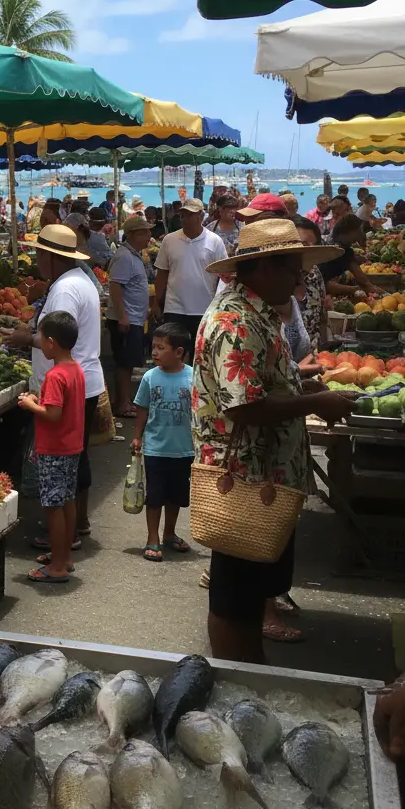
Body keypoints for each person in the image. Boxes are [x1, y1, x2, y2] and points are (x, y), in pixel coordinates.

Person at [193, 218, 354, 663]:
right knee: (234, 593)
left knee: (251, 588)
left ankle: (249, 665)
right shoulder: (235, 321)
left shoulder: (261, 314)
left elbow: (267, 388)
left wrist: (310, 392)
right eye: (294, 270)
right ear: (264, 269)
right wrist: (314, 404)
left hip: (266, 475)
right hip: (243, 477)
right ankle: (236, 672)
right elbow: (243, 406)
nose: (301, 280)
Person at [3, 224, 105, 545]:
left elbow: (57, 340)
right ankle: (79, 524)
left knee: (62, 465)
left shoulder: (64, 290)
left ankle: (65, 535)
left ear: (49, 256)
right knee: (76, 457)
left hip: (67, 388)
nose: (35, 259)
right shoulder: (78, 280)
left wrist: (26, 338)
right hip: (81, 382)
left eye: (38, 253)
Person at [18, 310, 85, 583]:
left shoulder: (56, 376)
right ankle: (64, 556)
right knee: (66, 501)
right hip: (71, 448)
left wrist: (31, 404)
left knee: (52, 507)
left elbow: (53, 414)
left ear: (51, 343)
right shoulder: (76, 369)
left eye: (41, 337)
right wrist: (40, 400)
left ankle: (57, 566)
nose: (40, 342)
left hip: (54, 450)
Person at [132, 322, 194, 563]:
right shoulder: (150, 377)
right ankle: (152, 538)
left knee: (176, 496)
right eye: (153, 347)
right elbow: (142, 409)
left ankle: (169, 533)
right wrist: (137, 436)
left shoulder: (194, 377)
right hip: (156, 448)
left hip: (184, 450)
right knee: (155, 495)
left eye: (160, 347)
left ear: (179, 352)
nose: (154, 352)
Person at [150, 198, 227, 353]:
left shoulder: (214, 241)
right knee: (173, 352)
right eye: (182, 215)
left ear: (201, 216)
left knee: (199, 352)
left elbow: (223, 275)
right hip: (175, 308)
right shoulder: (169, 240)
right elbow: (162, 273)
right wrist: (157, 302)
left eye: (189, 215)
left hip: (204, 307)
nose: (184, 219)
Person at [106, 216, 152, 417]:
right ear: (134, 235)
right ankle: (122, 403)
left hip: (133, 317)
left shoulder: (133, 255)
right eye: (145, 232)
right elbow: (115, 286)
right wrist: (123, 316)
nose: (149, 236)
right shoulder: (124, 256)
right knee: (124, 363)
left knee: (128, 362)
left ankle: (123, 401)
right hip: (126, 319)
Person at [321, 214, 383, 299]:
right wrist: (356, 289)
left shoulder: (345, 250)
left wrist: (370, 288)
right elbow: (324, 284)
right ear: (349, 231)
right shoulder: (332, 250)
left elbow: (363, 280)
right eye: (359, 231)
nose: (361, 234)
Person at [292, 216, 327, 351]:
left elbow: (322, 318)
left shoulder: (314, 273)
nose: (309, 252)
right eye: (303, 245)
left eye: (313, 246)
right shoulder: (276, 280)